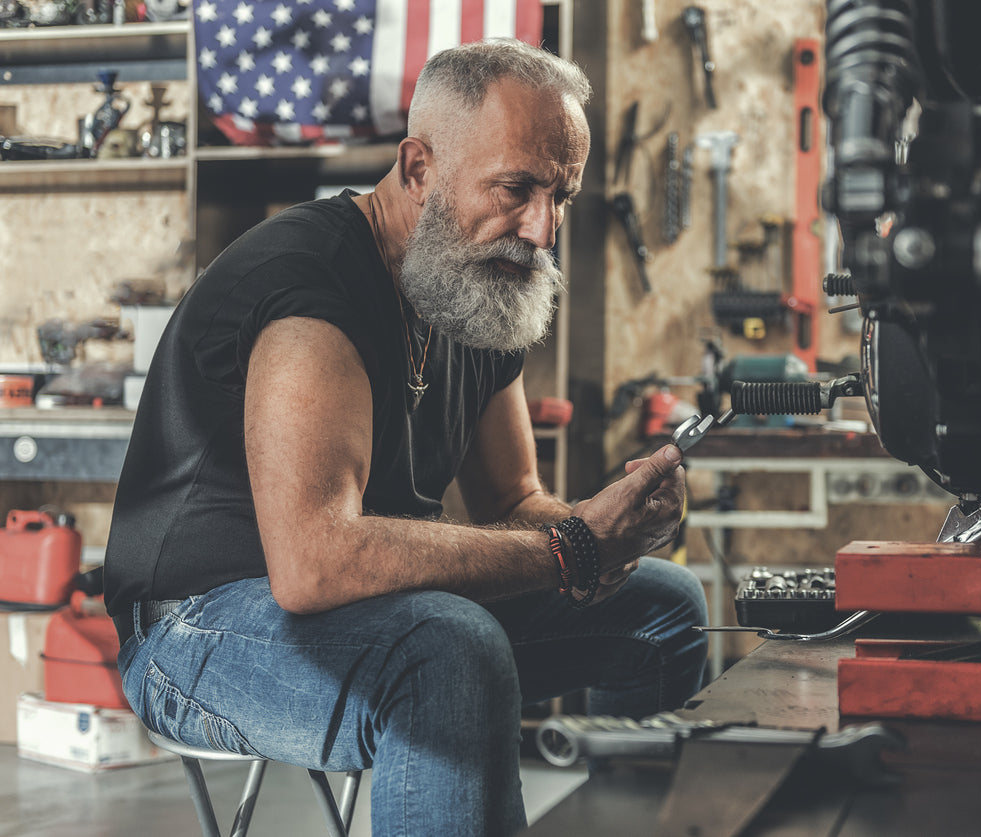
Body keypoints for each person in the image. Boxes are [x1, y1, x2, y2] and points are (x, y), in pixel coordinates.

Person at [102, 39, 708, 836]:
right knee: (447, 651)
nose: (541, 229)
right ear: (419, 167)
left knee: (665, 606)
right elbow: (315, 561)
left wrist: (614, 527)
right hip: (193, 629)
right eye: (516, 188)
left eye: (562, 195)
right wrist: (570, 550)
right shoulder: (311, 285)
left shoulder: (476, 285)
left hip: (377, 607)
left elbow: (516, 499)